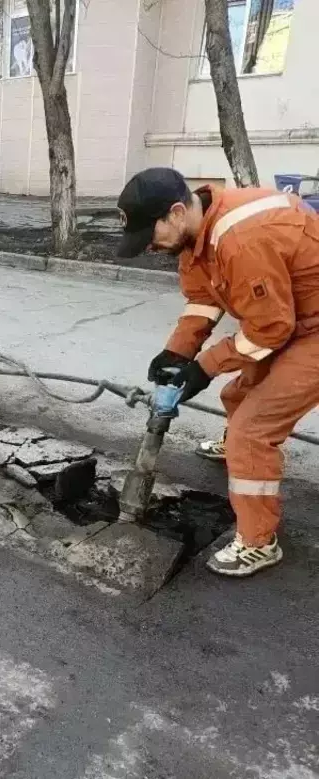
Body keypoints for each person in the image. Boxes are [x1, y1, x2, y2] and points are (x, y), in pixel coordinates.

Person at [117, 167, 319, 578]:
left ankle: (259, 542)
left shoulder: (241, 238)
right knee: (236, 397)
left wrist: (203, 368)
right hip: (292, 317)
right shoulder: (196, 235)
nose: (151, 248)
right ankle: (240, 453)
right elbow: (202, 300)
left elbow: (270, 329)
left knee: (252, 430)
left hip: (310, 328)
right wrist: (176, 352)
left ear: (175, 213)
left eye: (150, 236)